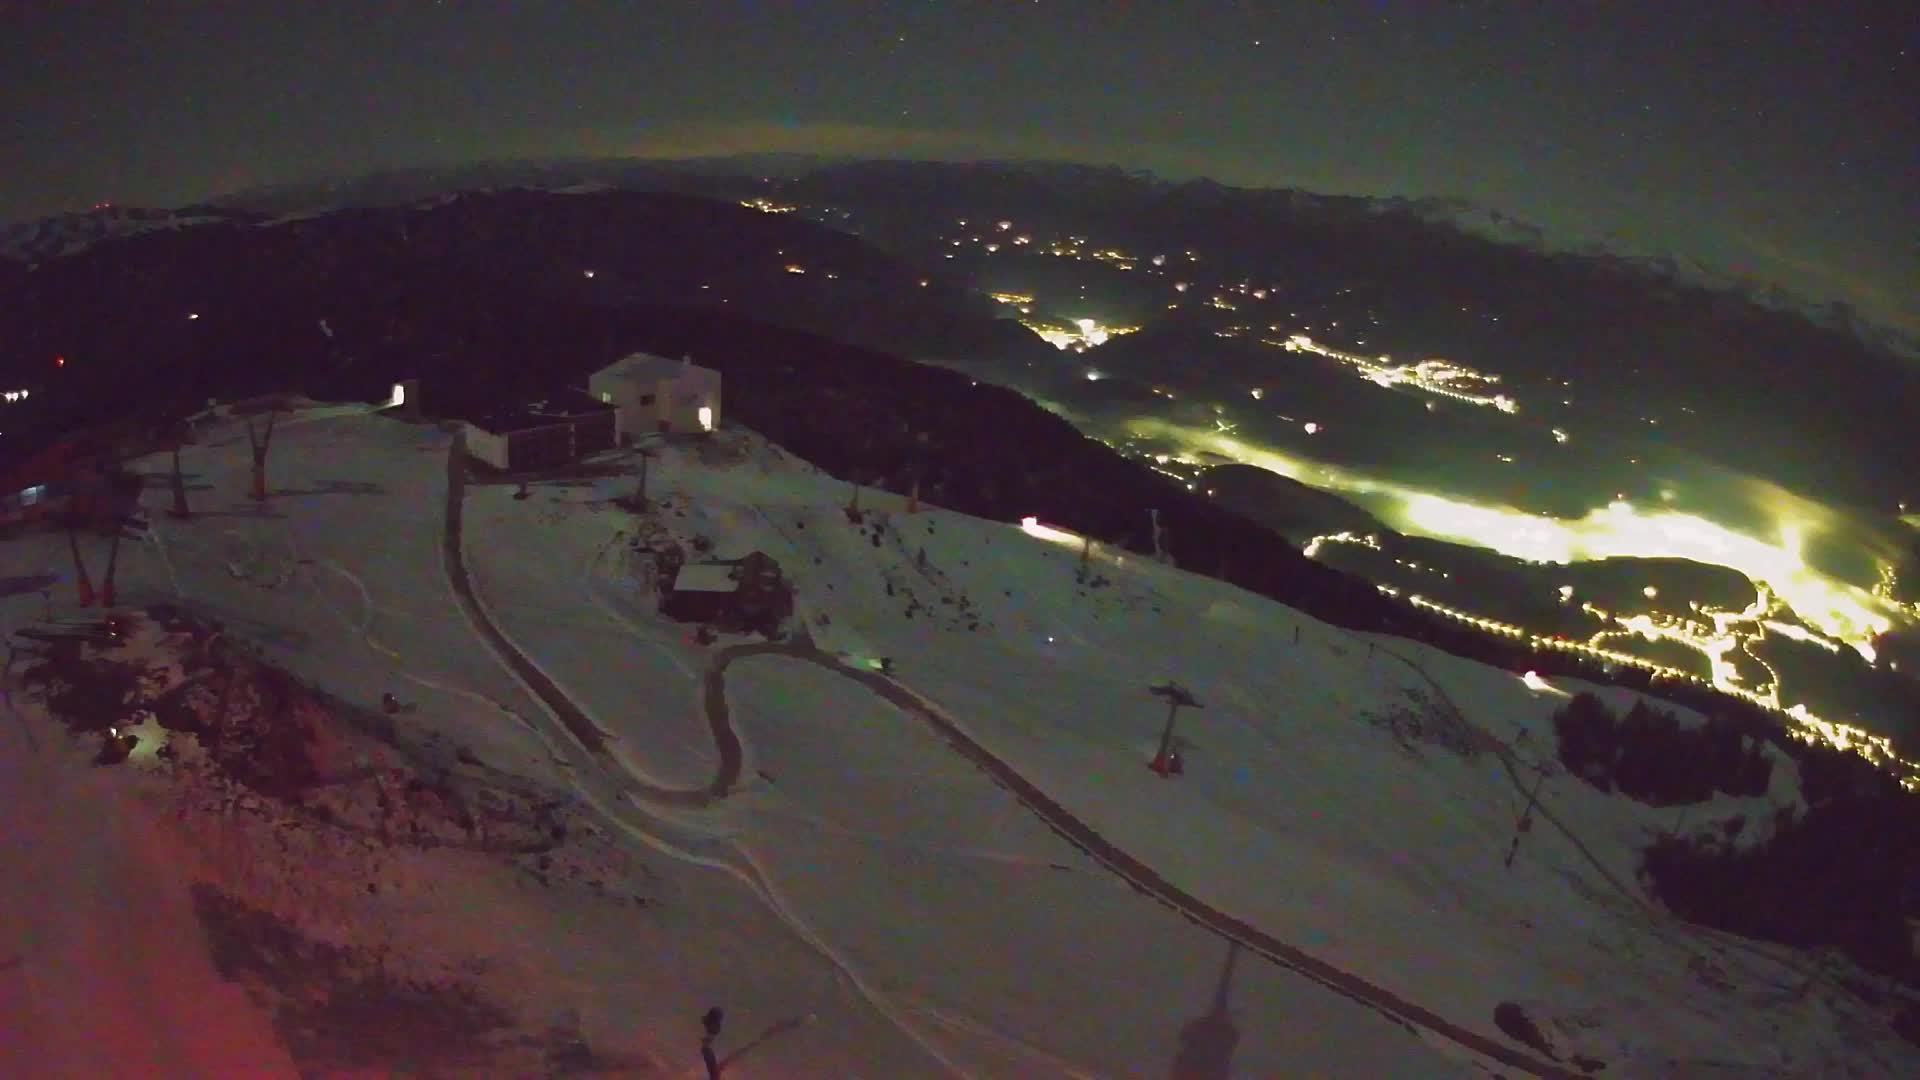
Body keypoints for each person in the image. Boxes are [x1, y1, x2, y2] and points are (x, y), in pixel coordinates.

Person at [700, 1006, 725, 1078]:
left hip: (707, 1049)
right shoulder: (714, 1028)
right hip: (707, 1049)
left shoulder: (714, 1028)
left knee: (714, 1072)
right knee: (714, 1072)